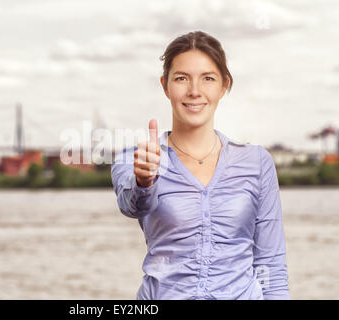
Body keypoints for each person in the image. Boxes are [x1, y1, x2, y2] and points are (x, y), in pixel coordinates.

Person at [110, 31, 290, 300]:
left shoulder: (257, 162)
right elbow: (132, 205)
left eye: (208, 78)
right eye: (182, 78)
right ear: (165, 85)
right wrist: (144, 181)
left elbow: (271, 265)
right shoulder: (135, 158)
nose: (194, 91)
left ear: (223, 86)